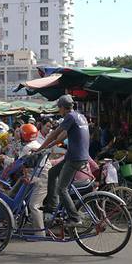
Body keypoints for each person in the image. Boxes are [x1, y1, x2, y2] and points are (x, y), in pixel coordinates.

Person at [37, 95, 90, 227]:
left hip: (74, 158)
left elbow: (56, 132)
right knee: (52, 172)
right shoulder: (80, 116)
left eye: (59, 108)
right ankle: (52, 206)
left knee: (62, 188)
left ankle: (75, 218)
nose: (58, 111)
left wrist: (40, 147)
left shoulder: (70, 117)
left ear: (62, 108)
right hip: (79, 156)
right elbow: (63, 136)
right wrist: (50, 146)